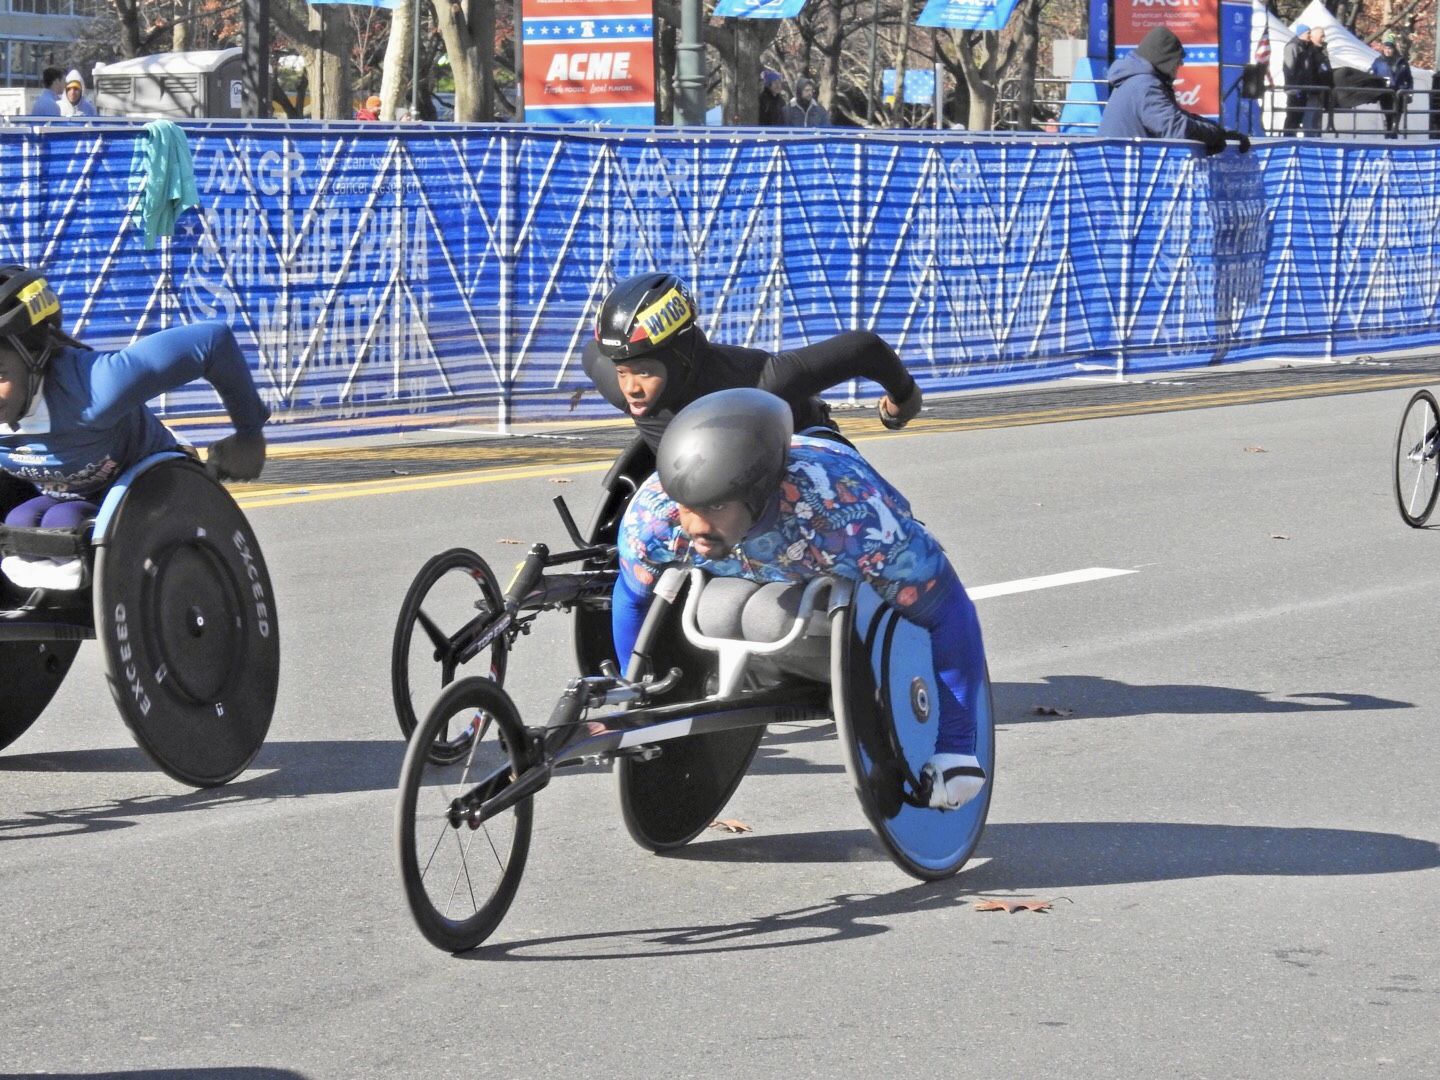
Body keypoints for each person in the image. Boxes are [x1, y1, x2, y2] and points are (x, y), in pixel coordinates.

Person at [612, 388, 987, 810]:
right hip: (758, 568)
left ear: (755, 496)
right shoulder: (655, 517)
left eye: (715, 506)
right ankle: (764, 671)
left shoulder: (855, 521)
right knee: (717, 610)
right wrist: (636, 695)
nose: (695, 525)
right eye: (686, 506)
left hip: (825, 541)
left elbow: (951, 614)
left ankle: (834, 678)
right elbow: (631, 600)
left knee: (769, 621)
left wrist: (957, 747)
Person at [0, 265, 269, 589]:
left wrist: (249, 435)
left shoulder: (96, 388)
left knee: (63, 524)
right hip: (63, 491)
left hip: (151, 485)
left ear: (34, 358)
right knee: (21, 523)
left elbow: (213, 341)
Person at [581, 272, 925, 454]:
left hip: (799, 453)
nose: (630, 389)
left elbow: (863, 348)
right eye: (622, 371)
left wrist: (903, 401)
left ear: (682, 358)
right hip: (702, 486)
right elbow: (591, 353)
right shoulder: (620, 383)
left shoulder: (761, 383)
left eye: (645, 372)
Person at [1098, 27, 1247, 153]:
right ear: (1163, 60)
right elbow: (1176, 129)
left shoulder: (1139, 81)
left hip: (1126, 165)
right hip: (1124, 172)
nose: (1180, 64)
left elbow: (1177, 117)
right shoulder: (1144, 85)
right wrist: (1215, 136)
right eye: (1176, 60)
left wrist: (1219, 133)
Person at [1370, 33, 1413, 138]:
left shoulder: (1402, 62)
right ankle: (1388, 140)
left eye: (1390, 48)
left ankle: (1393, 138)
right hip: (1386, 94)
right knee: (1388, 118)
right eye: (1386, 47)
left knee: (1396, 120)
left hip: (1400, 94)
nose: (1388, 50)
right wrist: (1373, 93)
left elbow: (1409, 79)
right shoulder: (1378, 62)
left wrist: (1409, 93)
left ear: (1394, 48)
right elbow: (1371, 77)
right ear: (1383, 48)